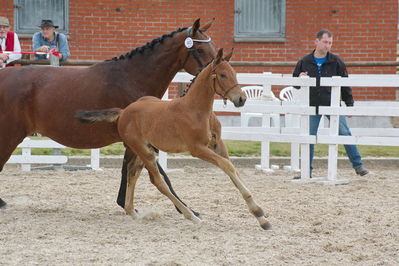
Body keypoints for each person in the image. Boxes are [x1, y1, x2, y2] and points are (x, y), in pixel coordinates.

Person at [292, 29, 369, 179]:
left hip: (332, 105)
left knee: (345, 133)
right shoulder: (304, 61)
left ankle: (358, 165)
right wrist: (300, 78)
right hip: (312, 106)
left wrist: (349, 104)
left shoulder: (336, 61)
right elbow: (294, 83)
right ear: (317, 41)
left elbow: (345, 85)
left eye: (330, 43)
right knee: (309, 137)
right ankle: (306, 172)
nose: (328, 45)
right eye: (325, 42)